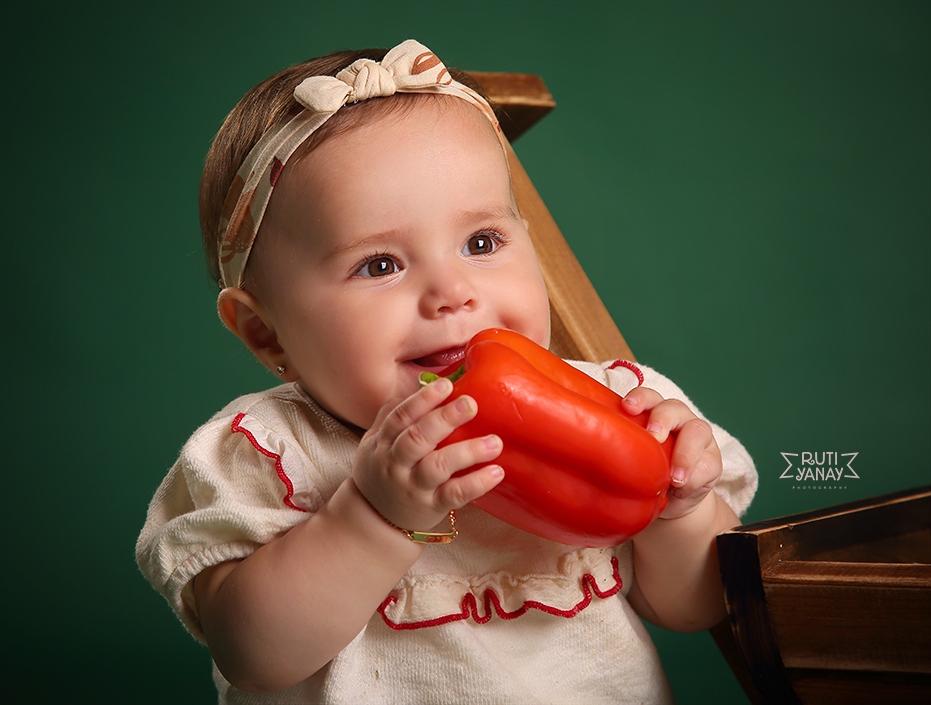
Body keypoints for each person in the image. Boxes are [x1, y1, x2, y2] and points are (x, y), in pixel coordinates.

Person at [136, 39, 757, 704]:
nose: (452, 293)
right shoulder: (270, 452)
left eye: (481, 242)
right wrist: (373, 517)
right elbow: (254, 655)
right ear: (266, 332)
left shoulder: (619, 404)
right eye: (379, 264)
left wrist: (675, 509)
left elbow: (697, 606)